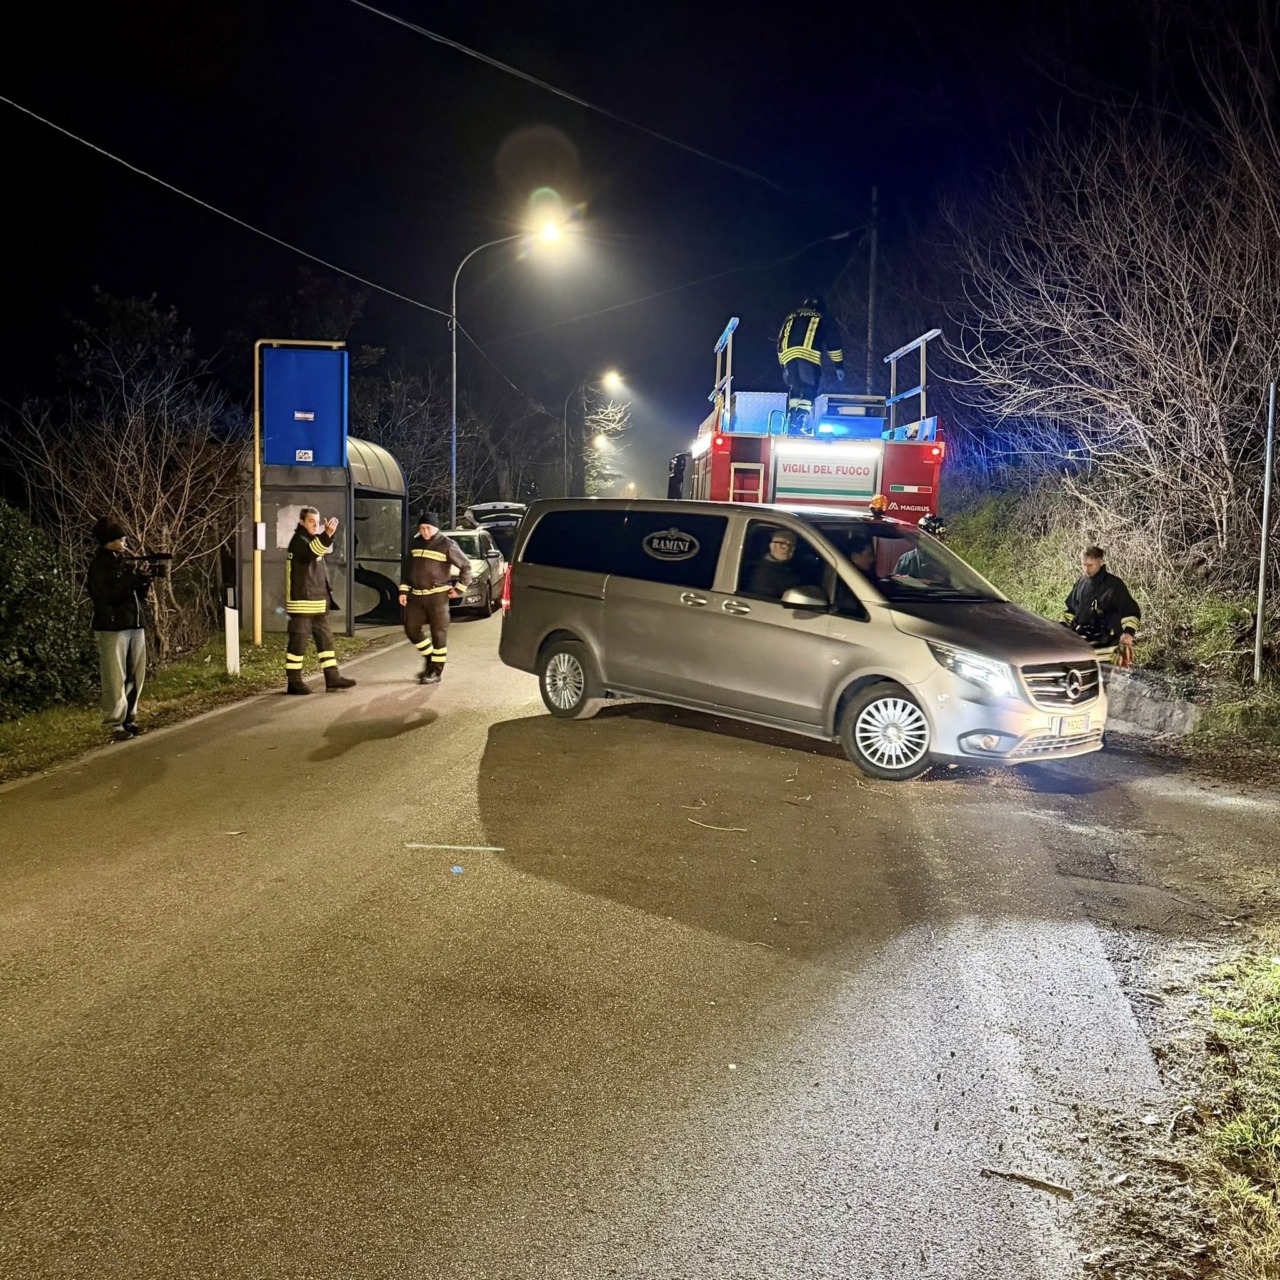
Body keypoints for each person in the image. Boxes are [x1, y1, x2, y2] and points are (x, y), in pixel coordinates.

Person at [86, 515, 151, 742]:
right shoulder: (99, 567)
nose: (125, 542)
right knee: (115, 676)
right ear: (109, 541)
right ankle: (114, 723)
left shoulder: (124, 563)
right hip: (113, 626)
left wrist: (143, 582)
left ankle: (129, 718)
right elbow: (107, 596)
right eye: (120, 539)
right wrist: (132, 580)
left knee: (135, 674)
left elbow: (137, 596)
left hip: (134, 623)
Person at [285, 507, 356, 694]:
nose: (316, 525)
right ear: (301, 522)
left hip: (317, 602)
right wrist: (327, 534)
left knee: (325, 642)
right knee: (298, 642)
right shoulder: (299, 541)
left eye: (317, 522)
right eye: (311, 521)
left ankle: (332, 678)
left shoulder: (311, 540)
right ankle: (294, 681)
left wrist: (325, 536)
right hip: (303, 603)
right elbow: (310, 553)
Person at [399, 512, 472, 684]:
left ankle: (435, 671)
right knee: (411, 628)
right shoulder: (415, 544)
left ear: (436, 528)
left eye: (428, 528)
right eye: (422, 528)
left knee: (438, 633)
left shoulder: (447, 544)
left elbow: (466, 566)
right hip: (416, 596)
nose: (425, 532)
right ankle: (431, 658)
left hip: (438, 597)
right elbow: (407, 568)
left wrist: (459, 589)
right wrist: (403, 590)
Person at [777, 296, 846, 430]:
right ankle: (799, 422)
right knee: (809, 388)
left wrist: (783, 364)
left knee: (796, 387)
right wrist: (839, 365)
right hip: (808, 356)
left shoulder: (791, 316)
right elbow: (833, 342)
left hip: (788, 357)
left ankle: (792, 419)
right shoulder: (822, 317)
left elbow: (780, 339)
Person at [1063, 545, 1141, 663]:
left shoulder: (1114, 586)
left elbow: (1130, 612)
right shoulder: (1080, 583)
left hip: (1108, 648)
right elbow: (1071, 610)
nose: (1086, 570)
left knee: (1107, 674)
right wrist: (1061, 626)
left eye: (1091, 565)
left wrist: (1128, 633)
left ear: (1101, 562)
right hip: (1082, 646)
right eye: (1084, 564)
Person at [744, 527, 802, 599]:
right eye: (782, 544)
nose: (787, 548)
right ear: (771, 546)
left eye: (791, 545)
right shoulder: (762, 573)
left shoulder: (789, 566)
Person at [893, 514, 948, 582]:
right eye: (932, 535)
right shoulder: (907, 560)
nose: (938, 539)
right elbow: (895, 583)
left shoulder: (945, 562)